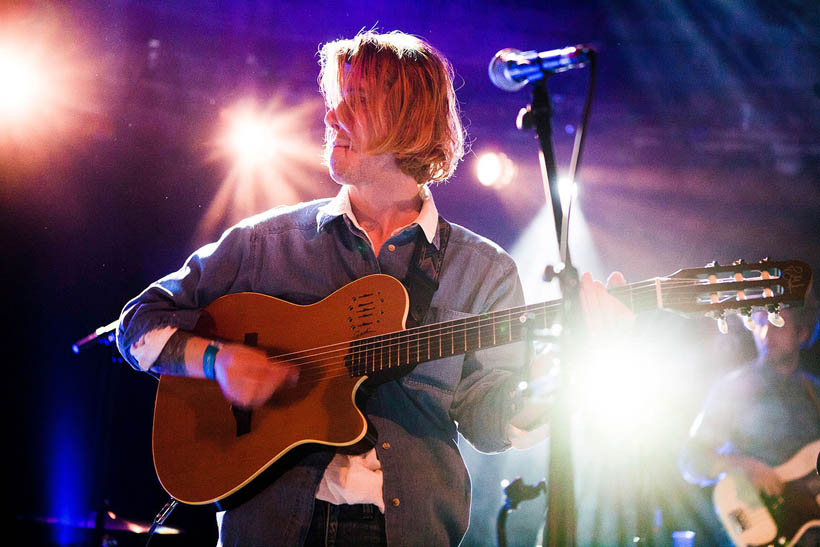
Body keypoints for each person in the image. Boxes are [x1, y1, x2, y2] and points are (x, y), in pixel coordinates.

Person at [117, 29, 628, 546]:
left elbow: (489, 423)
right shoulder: (264, 243)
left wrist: (565, 374)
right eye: (334, 99)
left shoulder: (484, 270)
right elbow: (137, 324)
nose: (331, 114)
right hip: (272, 528)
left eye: (355, 101)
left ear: (408, 121)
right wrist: (216, 360)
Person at [680, 290, 820, 546]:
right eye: (760, 322)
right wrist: (742, 465)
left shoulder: (815, 392)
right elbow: (690, 460)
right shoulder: (734, 389)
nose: (766, 333)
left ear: (802, 333)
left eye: (778, 324)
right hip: (760, 531)